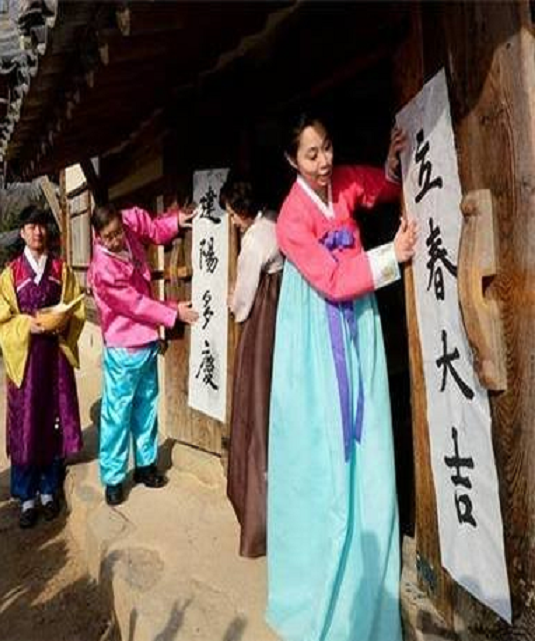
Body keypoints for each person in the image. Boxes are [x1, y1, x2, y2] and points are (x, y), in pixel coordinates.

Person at [266, 114, 417, 641]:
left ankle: (370, 552)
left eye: (327, 148)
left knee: (369, 440)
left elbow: (383, 189)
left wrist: (393, 163)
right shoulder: (291, 217)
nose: (324, 161)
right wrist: (391, 255)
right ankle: (327, 567)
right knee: (326, 450)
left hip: (359, 321)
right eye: (311, 154)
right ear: (292, 160)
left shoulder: (343, 180)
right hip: (317, 335)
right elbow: (330, 279)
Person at [88, 203, 198, 506]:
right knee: (117, 414)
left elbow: (152, 227)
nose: (116, 240)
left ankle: (146, 465)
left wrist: (175, 221)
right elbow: (135, 304)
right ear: (98, 236)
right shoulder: (103, 270)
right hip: (123, 345)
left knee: (147, 405)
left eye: (117, 232)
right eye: (108, 237)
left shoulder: (129, 221)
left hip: (146, 340)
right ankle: (113, 477)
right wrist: (173, 311)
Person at [0, 206, 85, 529]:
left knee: (51, 421)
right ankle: (26, 496)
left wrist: (63, 321)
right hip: (26, 360)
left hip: (55, 358)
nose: (38, 232)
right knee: (26, 424)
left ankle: (48, 490)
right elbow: (1, 321)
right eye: (31, 226)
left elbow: (76, 308)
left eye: (42, 226)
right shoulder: (10, 275)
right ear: (22, 233)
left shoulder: (61, 269)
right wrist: (25, 325)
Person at [220, 174, 283, 558]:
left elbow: (243, 301)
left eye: (231, 213)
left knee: (255, 406)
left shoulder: (255, 240)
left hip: (263, 321)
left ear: (242, 210)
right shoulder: (276, 221)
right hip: (285, 315)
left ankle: (257, 516)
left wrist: (232, 302)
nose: (232, 221)